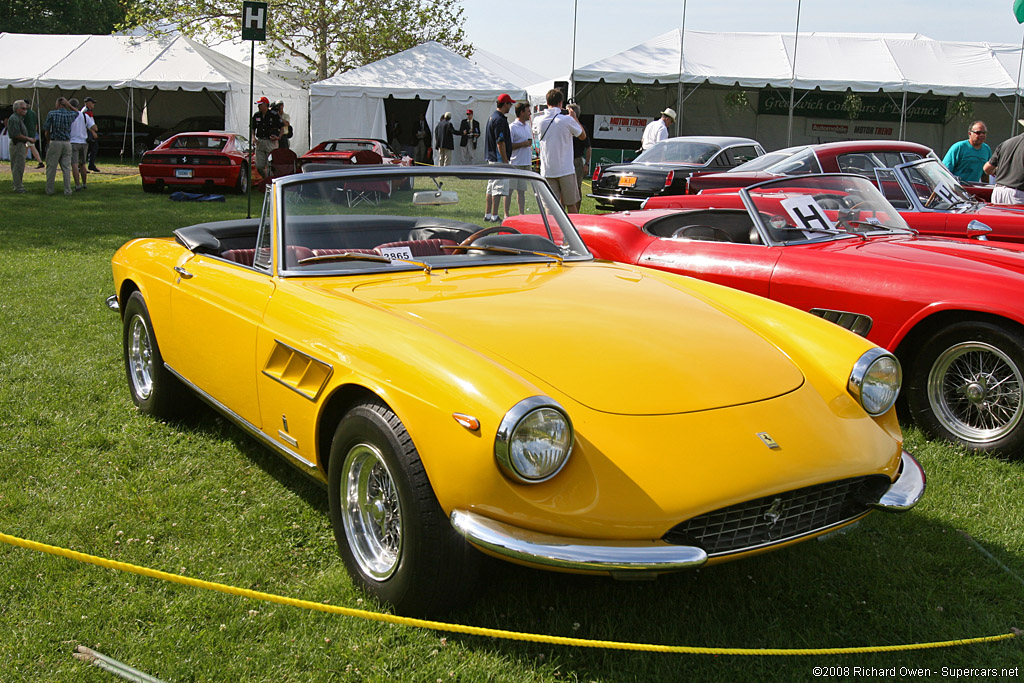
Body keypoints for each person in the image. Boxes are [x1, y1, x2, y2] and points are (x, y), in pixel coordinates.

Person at [533, 89, 587, 213]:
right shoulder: (567, 120)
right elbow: (583, 136)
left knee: (551, 208)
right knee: (572, 206)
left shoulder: (538, 121)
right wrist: (574, 118)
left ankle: (551, 231)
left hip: (547, 170)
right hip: (566, 170)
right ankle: (572, 231)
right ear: (560, 103)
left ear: (547, 102)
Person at [483, 94, 514, 222]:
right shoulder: (500, 120)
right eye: (509, 104)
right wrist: (505, 160)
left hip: (491, 157)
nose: (510, 106)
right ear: (505, 104)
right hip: (498, 158)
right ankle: (495, 215)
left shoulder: (492, 117)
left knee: (491, 187)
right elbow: (500, 142)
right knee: (497, 189)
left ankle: (488, 213)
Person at [43, 96, 77, 196]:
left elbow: (47, 130)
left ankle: (49, 189)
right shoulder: (70, 114)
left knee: (51, 167)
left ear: (58, 104)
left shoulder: (52, 113)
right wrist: (69, 105)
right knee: (66, 167)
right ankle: (67, 190)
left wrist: (48, 140)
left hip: (55, 141)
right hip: (67, 142)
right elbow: (77, 112)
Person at [984, 122, 1024, 205]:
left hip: (998, 192)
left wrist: (1001, 171)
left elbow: (987, 169)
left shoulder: (1007, 143)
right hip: (1018, 194)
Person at [508, 102, 533, 214]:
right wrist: (523, 144)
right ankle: (506, 214)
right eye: (528, 111)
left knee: (522, 191)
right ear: (522, 113)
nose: (530, 114)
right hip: (515, 163)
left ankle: (521, 214)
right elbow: (508, 146)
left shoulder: (527, 127)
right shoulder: (512, 127)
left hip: (526, 162)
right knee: (509, 190)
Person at [250, 96, 282, 178]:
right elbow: (252, 128)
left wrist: (279, 137)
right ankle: (266, 178)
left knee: (270, 164)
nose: (258, 107)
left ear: (265, 105)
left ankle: (270, 181)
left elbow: (282, 127)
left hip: (271, 142)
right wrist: (253, 137)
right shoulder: (256, 115)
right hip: (260, 141)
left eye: (260, 105)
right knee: (259, 165)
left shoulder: (274, 115)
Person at [68, 98, 96, 191]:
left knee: (74, 164)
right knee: (83, 164)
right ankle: (84, 183)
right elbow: (94, 127)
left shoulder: (69, 116)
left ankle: (77, 185)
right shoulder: (84, 116)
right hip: (83, 142)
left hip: (73, 141)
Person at [567, 103, 591, 202]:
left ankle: (576, 212)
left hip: (577, 161)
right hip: (566, 160)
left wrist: (587, 164)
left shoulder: (582, 128)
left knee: (577, 188)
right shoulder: (565, 126)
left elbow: (589, 147)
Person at [6, 100, 31, 193]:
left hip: (21, 144)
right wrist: (29, 138)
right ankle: (18, 187)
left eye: (26, 108)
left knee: (20, 165)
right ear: (17, 109)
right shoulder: (14, 119)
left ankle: (19, 185)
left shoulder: (19, 118)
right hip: (17, 144)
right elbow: (16, 135)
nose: (25, 110)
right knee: (17, 166)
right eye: (23, 108)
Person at [24, 100, 43, 169]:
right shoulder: (33, 113)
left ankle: (40, 162)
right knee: (27, 147)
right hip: (32, 132)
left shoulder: (25, 113)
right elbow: (36, 124)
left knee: (31, 147)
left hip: (27, 133)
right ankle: (23, 161)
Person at [83, 97, 100, 171]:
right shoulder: (86, 111)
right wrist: (93, 132)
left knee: (93, 149)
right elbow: (86, 123)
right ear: (88, 103)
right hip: (88, 133)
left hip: (90, 132)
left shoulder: (88, 111)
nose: (93, 104)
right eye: (92, 103)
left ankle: (91, 164)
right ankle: (84, 166)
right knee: (88, 149)